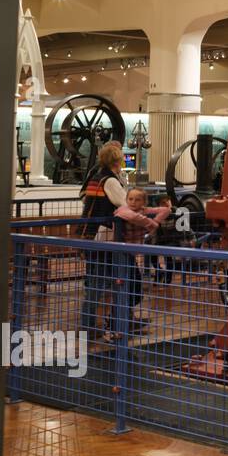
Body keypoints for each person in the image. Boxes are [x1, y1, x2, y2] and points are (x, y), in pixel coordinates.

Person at [77, 142, 128, 334]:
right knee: (103, 282)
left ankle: (93, 324)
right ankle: (92, 326)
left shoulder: (96, 178)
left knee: (95, 281)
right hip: (105, 235)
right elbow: (124, 203)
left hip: (90, 234)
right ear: (117, 160)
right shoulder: (110, 181)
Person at [109, 188, 171, 338]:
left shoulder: (144, 210)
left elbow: (165, 210)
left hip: (129, 255)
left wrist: (154, 220)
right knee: (125, 288)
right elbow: (125, 214)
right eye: (130, 199)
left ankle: (122, 319)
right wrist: (151, 223)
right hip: (119, 254)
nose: (133, 202)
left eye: (137, 200)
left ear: (144, 202)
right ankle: (113, 323)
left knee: (135, 289)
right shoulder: (123, 210)